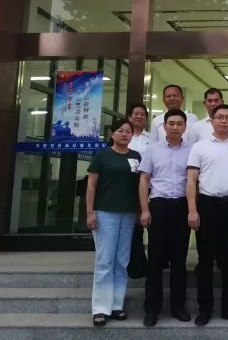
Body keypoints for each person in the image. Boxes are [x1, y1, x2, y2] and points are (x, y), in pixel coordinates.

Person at [186, 104, 228, 326]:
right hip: (208, 206)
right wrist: (192, 210)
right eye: (220, 117)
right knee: (205, 260)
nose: (224, 121)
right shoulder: (199, 147)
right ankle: (205, 308)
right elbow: (191, 181)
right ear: (211, 120)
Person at [138, 109, 192, 327]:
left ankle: (178, 307)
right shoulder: (152, 150)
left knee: (179, 260)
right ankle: (152, 309)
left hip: (182, 207)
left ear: (185, 127)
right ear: (164, 126)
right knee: (156, 260)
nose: (175, 127)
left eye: (179, 124)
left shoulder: (192, 150)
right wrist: (144, 209)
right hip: (159, 206)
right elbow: (144, 180)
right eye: (171, 123)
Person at [86, 119, 141, 327]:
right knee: (105, 261)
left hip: (128, 214)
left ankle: (117, 305)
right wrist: (89, 212)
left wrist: (140, 210)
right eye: (120, 131)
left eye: (128, 131)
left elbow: (139, 186)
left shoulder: (136, 157)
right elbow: (91, 185)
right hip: (105, 213)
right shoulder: (102, 155)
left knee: (121, 261)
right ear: (112, 134)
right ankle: (100, 308)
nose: (124, 134)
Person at [127, 102, 151, 272]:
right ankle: (131, 256)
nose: (139, 116)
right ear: (129, 116)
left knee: (144, 219)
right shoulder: (124, 135)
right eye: (136, 113)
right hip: (127, 183)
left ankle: (140, 256)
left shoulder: (151, 138)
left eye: (142, 114)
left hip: (148, 184)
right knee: (131, 221)